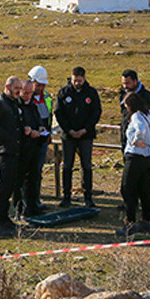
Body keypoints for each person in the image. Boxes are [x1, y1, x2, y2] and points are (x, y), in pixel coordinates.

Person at [54, 66, 102, 208]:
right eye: (75, 80)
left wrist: (85, 129)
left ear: (84, 78)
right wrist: (69, 130)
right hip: (68, 136)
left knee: (86, 165)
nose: (77, 83)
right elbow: (58, 112)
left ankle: (88, 196)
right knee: (67, 165)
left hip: (85, 136)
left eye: (80, 80)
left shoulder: (91, 93)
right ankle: (66, 196)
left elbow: (96, 112)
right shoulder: (64, 92)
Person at [0, 76, 25, 237]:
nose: (19, 92)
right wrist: (6, 136)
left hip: (14, 150)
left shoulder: (14, 103)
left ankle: (4, 218)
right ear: (7, 87)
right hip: (3, 151)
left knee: (10, 186)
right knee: (4, 187)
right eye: (16, 88)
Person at [117, 91, 150, 236]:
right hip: (147, 156)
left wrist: (136, 139)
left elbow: (140, 129)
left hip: (135, 155)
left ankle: (130, 222)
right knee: (145, 188)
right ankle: (146, 221)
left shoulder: (136, 116)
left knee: (127, 188)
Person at [21, 64, 53, 216]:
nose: (40, 87)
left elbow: (48, 116)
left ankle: (35, 201)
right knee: (27, 174)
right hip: (29, 142)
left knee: (37, 173)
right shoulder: (26, 97)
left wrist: (48, 134)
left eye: (42, 85)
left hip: (42, 139)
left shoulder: (46, 97)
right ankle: (25, 203)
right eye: (38, 84)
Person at [14, 80, 45, 218]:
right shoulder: (15, 106)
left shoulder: (32, 106)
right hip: (21, 149)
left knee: (33, 179)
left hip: (34, 147)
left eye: (30, 93)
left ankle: (32, 207)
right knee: (20, 181)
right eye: (25, 93)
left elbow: (38, 120)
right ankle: (19, 209)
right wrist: (27, 131)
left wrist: (40, 128)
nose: (27, 96)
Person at [118, 70, 150, 155]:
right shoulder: (123, 94)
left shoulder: (147, 98)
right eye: (123, 83)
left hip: (142, 145)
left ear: (135, 81)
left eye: (128, 83)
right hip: (127, 138)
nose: (125, 86)